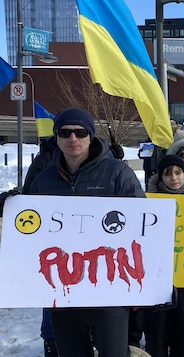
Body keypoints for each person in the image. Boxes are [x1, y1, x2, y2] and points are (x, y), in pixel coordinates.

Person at [26, 107, 145, 357]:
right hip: (63, 286)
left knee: (113, 353)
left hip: (109, 287)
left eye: (80, 132)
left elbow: (144, 226)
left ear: (90, 136)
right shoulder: (45, 179)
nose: (73, 139)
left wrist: (154, 277)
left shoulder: (117, 173)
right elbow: (29, 226)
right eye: (65, 132)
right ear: (56, 137)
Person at [143, 155, 184, 357]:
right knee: (156, 338)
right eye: (168, 173)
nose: (174, 178)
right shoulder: (145, 202)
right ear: (160, 177)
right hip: (155, 280)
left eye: (178, 172)